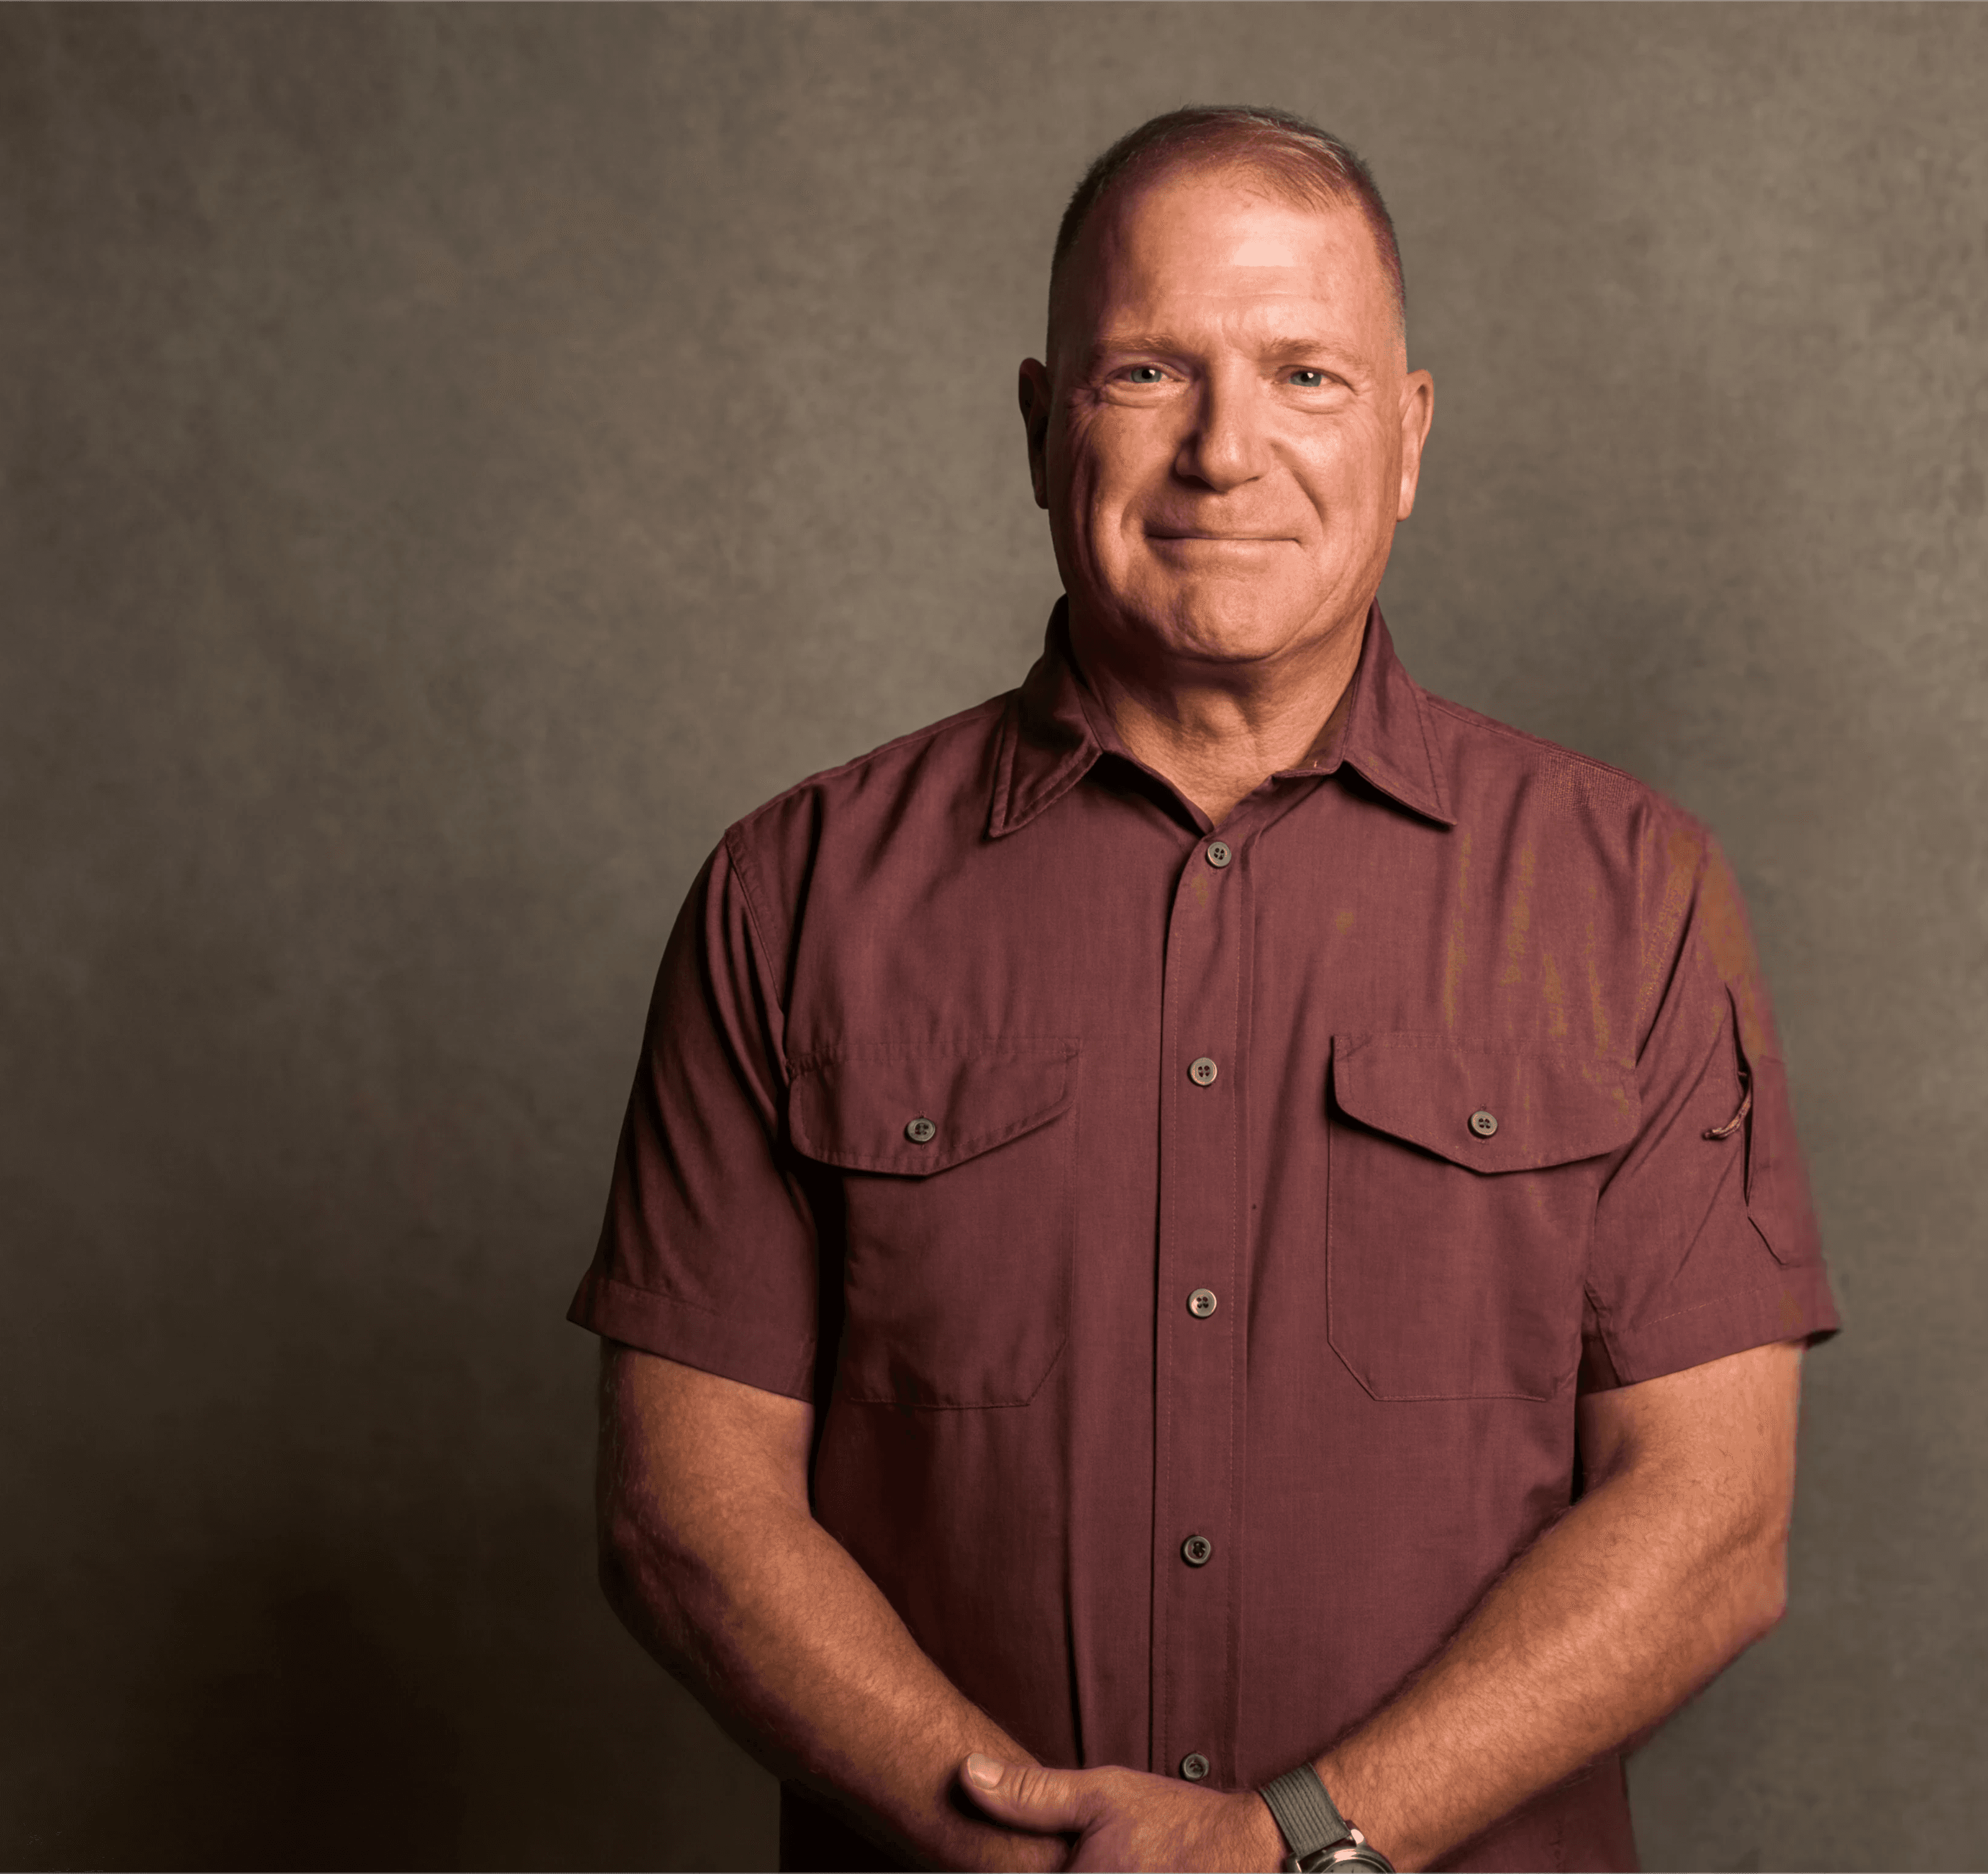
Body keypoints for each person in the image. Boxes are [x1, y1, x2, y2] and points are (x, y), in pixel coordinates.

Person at [569, 105, 1840, 1874]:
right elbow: (683, 1518)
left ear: (1407, 441)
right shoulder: (790, 898)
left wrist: (1294, 1848)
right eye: (1149, 372)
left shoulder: (1631, 898)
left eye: (1308, 375)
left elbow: (1710, 1524)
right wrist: (1052, 1863)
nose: (1226, 452)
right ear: (1040, 430)